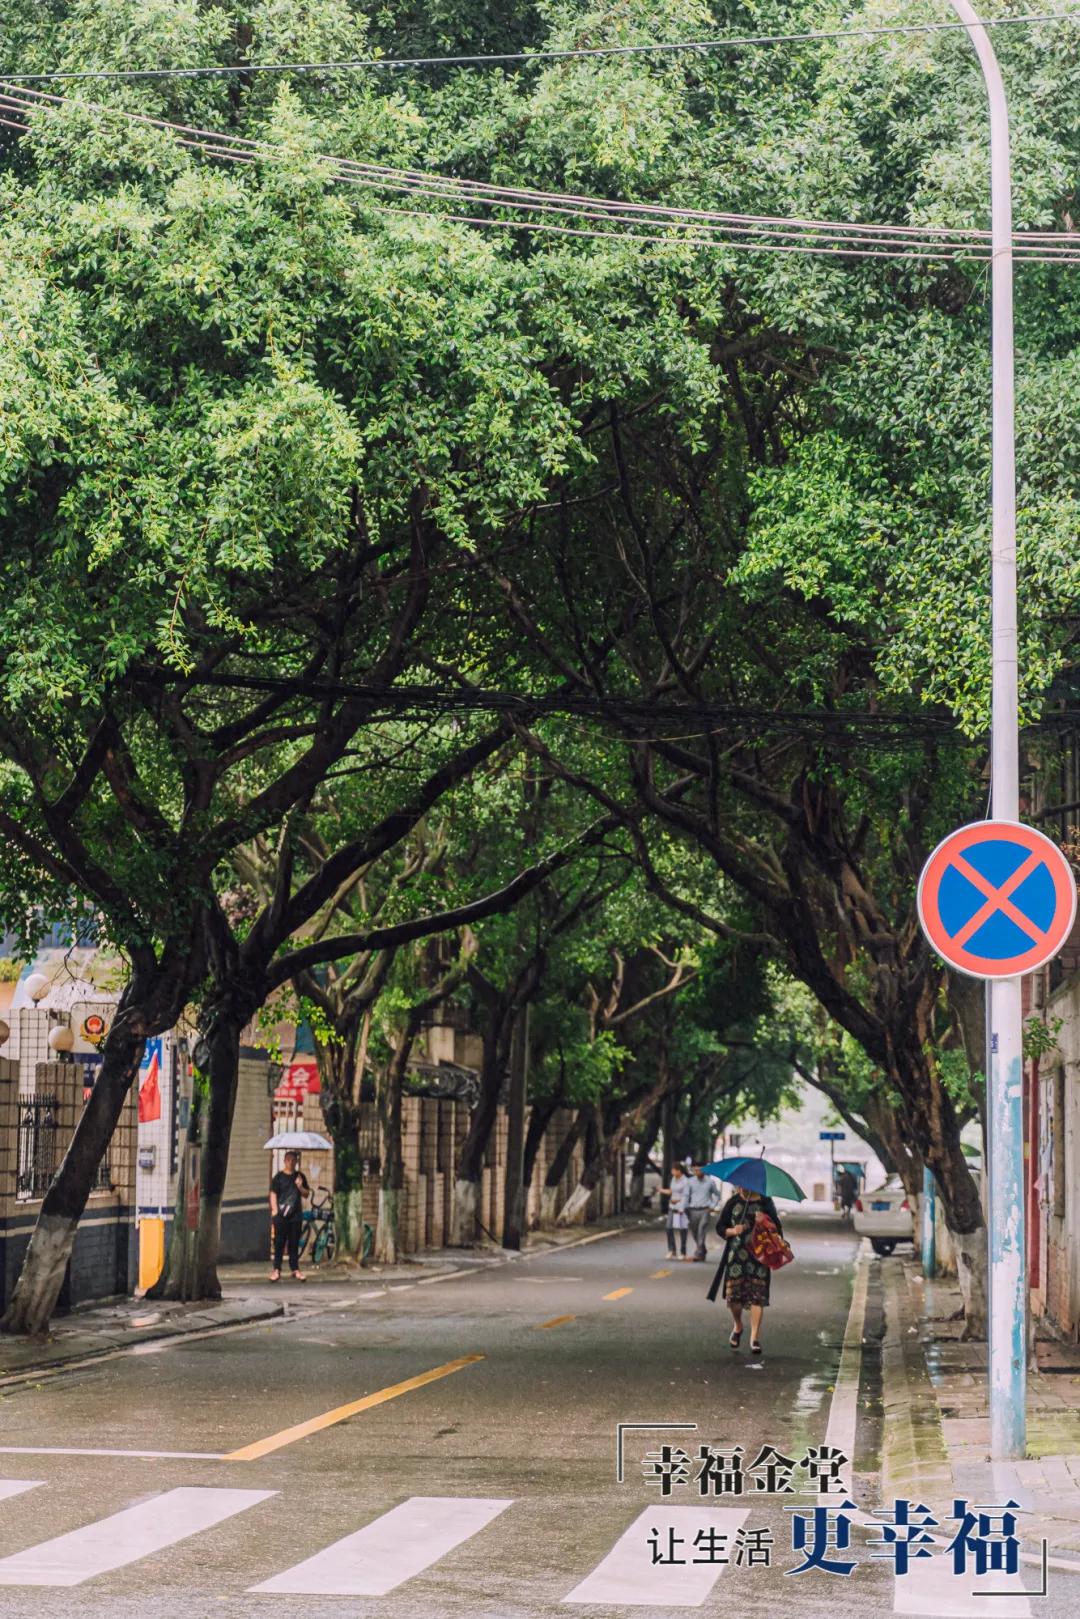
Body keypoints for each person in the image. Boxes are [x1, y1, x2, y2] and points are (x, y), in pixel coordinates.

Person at [716, 1184, 784, 1355]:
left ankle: (754, 1338)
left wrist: (765, 1222)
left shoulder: (765, 1202)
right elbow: (720, 1227)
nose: (741, 1188)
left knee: (757, 1297)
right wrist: (732, 1231)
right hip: (736, 1256)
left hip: (759, 1256)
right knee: (734, 1299)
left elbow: (777, 1228)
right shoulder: (733, 1202)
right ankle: (738, 1325)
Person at [269, 1150, 310, 1282]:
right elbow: (273, 1194)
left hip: (295, 1215)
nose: (291, 1163)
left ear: (296, 1162)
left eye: (293, 1160)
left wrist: (300, 1186)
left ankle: (295, 1269)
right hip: (281, 1215)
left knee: (294, 1242)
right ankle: (277, 1269)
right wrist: (275, 1211)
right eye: (288, 1160)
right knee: (279, 1242)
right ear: (284, 1161)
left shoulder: (300, 1176)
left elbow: (306, 1194)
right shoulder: (278, 1177)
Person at [684, 1163, 723, 1262]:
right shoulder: (690, 1182)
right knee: (694, 1232)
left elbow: (717, 1195)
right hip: (692, 1210)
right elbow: (686, 1196)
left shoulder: (710, 1182)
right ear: (693, 1171)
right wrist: (684, 1207)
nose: (698, 1172)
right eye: (696, 1170)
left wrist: (712, 1206)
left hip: (705, 1210)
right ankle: (703, 1250)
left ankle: (698, 1253)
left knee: (701, 1231)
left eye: (700, 1170)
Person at [661, 1164, 690, 1259]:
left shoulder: (685, 1181)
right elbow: (671, 1191)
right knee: (668, 1227)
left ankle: (683, 1251)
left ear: (679, 1171)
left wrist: (681, 1206)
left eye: (674, 1170)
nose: (672, 1172)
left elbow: (686, 1196)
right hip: (672, 1207)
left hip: (681, 1208)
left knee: (682, 1230)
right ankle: (672, 1250)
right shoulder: (673, 1179)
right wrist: (660, 1190)